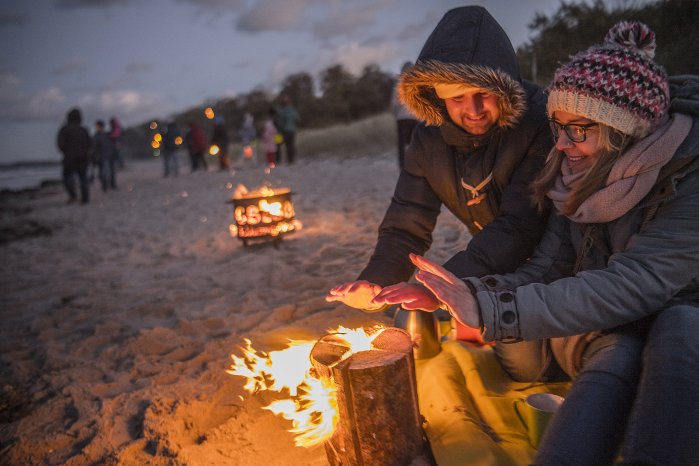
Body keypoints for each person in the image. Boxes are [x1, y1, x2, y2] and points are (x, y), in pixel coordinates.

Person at [374, 22, 699, 465]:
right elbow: (549, 263)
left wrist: (488, 310)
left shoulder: (686, 176)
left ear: (622, 130)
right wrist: (468, 293)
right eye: (557, 127)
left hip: (679, 313)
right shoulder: (577, 177)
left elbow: (635, 281)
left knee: (678, 329)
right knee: (614, 350)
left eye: (576, 130)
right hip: (615, 320)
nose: (561, 144)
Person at [326, 6, 552, 315]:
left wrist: (440, 285)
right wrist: (377, 281)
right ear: (437, 96)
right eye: (457, 98)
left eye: (483, 94)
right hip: (493, 262)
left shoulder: (539, 123)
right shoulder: (428, 142)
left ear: (505, 87)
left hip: (553, 263)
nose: (473, 110)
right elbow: (407, 224)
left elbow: (518, 226)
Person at [56, 107, 91, 204]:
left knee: (67, 178)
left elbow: (60, 144)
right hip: (83, 158)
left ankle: (73, 195)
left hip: (69, 158)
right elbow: (89, 143)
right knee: (83, 178)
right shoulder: (84, 130)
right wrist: (85, 152)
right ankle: (85, 199)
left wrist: (66, 152)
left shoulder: (64, 129)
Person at [391, 61, 419, 169]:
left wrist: (396, 115)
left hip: (402, 118)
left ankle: (403, 166)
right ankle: (417, 165)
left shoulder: (399, 82)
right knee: (415, 142)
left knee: (402, 145)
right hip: (416, 117)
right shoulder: (417, 83)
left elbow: (394, 102)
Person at [274, 95, 300, 164]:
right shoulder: (294, 110)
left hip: (283, 131)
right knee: (290, 145)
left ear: (283, 103)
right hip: (292, 130)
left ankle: (277, 160)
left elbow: (279, 123)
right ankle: (291, 160)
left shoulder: (281, 112)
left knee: (277, 144)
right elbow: (298, 120)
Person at [91, 120, 114, 192]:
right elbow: (93, 148)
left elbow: (109, 146)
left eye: (98, 126)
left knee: (105, 173)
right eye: (96, 126)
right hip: (98, 158)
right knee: (100, 174)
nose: (97, 128)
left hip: (106, 157)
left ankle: (105, 186)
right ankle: (105, 185)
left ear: (102, 127)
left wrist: (110, 154)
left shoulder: (106, 135)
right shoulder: (95, 136)